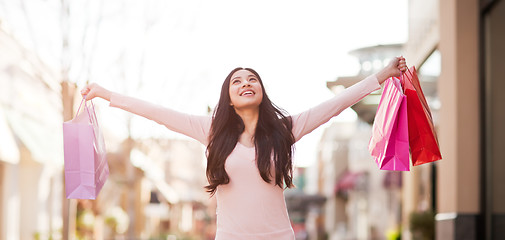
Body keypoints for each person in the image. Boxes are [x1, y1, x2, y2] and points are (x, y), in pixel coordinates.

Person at [81, 57, 407, 239]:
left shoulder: (284, 130)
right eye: (237, 81)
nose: (246, 83)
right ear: (229, 97)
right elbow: (157, 113)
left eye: (252, 79)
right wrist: (107, 94)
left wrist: (382, 75)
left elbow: (336, 104)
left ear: (261, 90)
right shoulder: (210, 132)